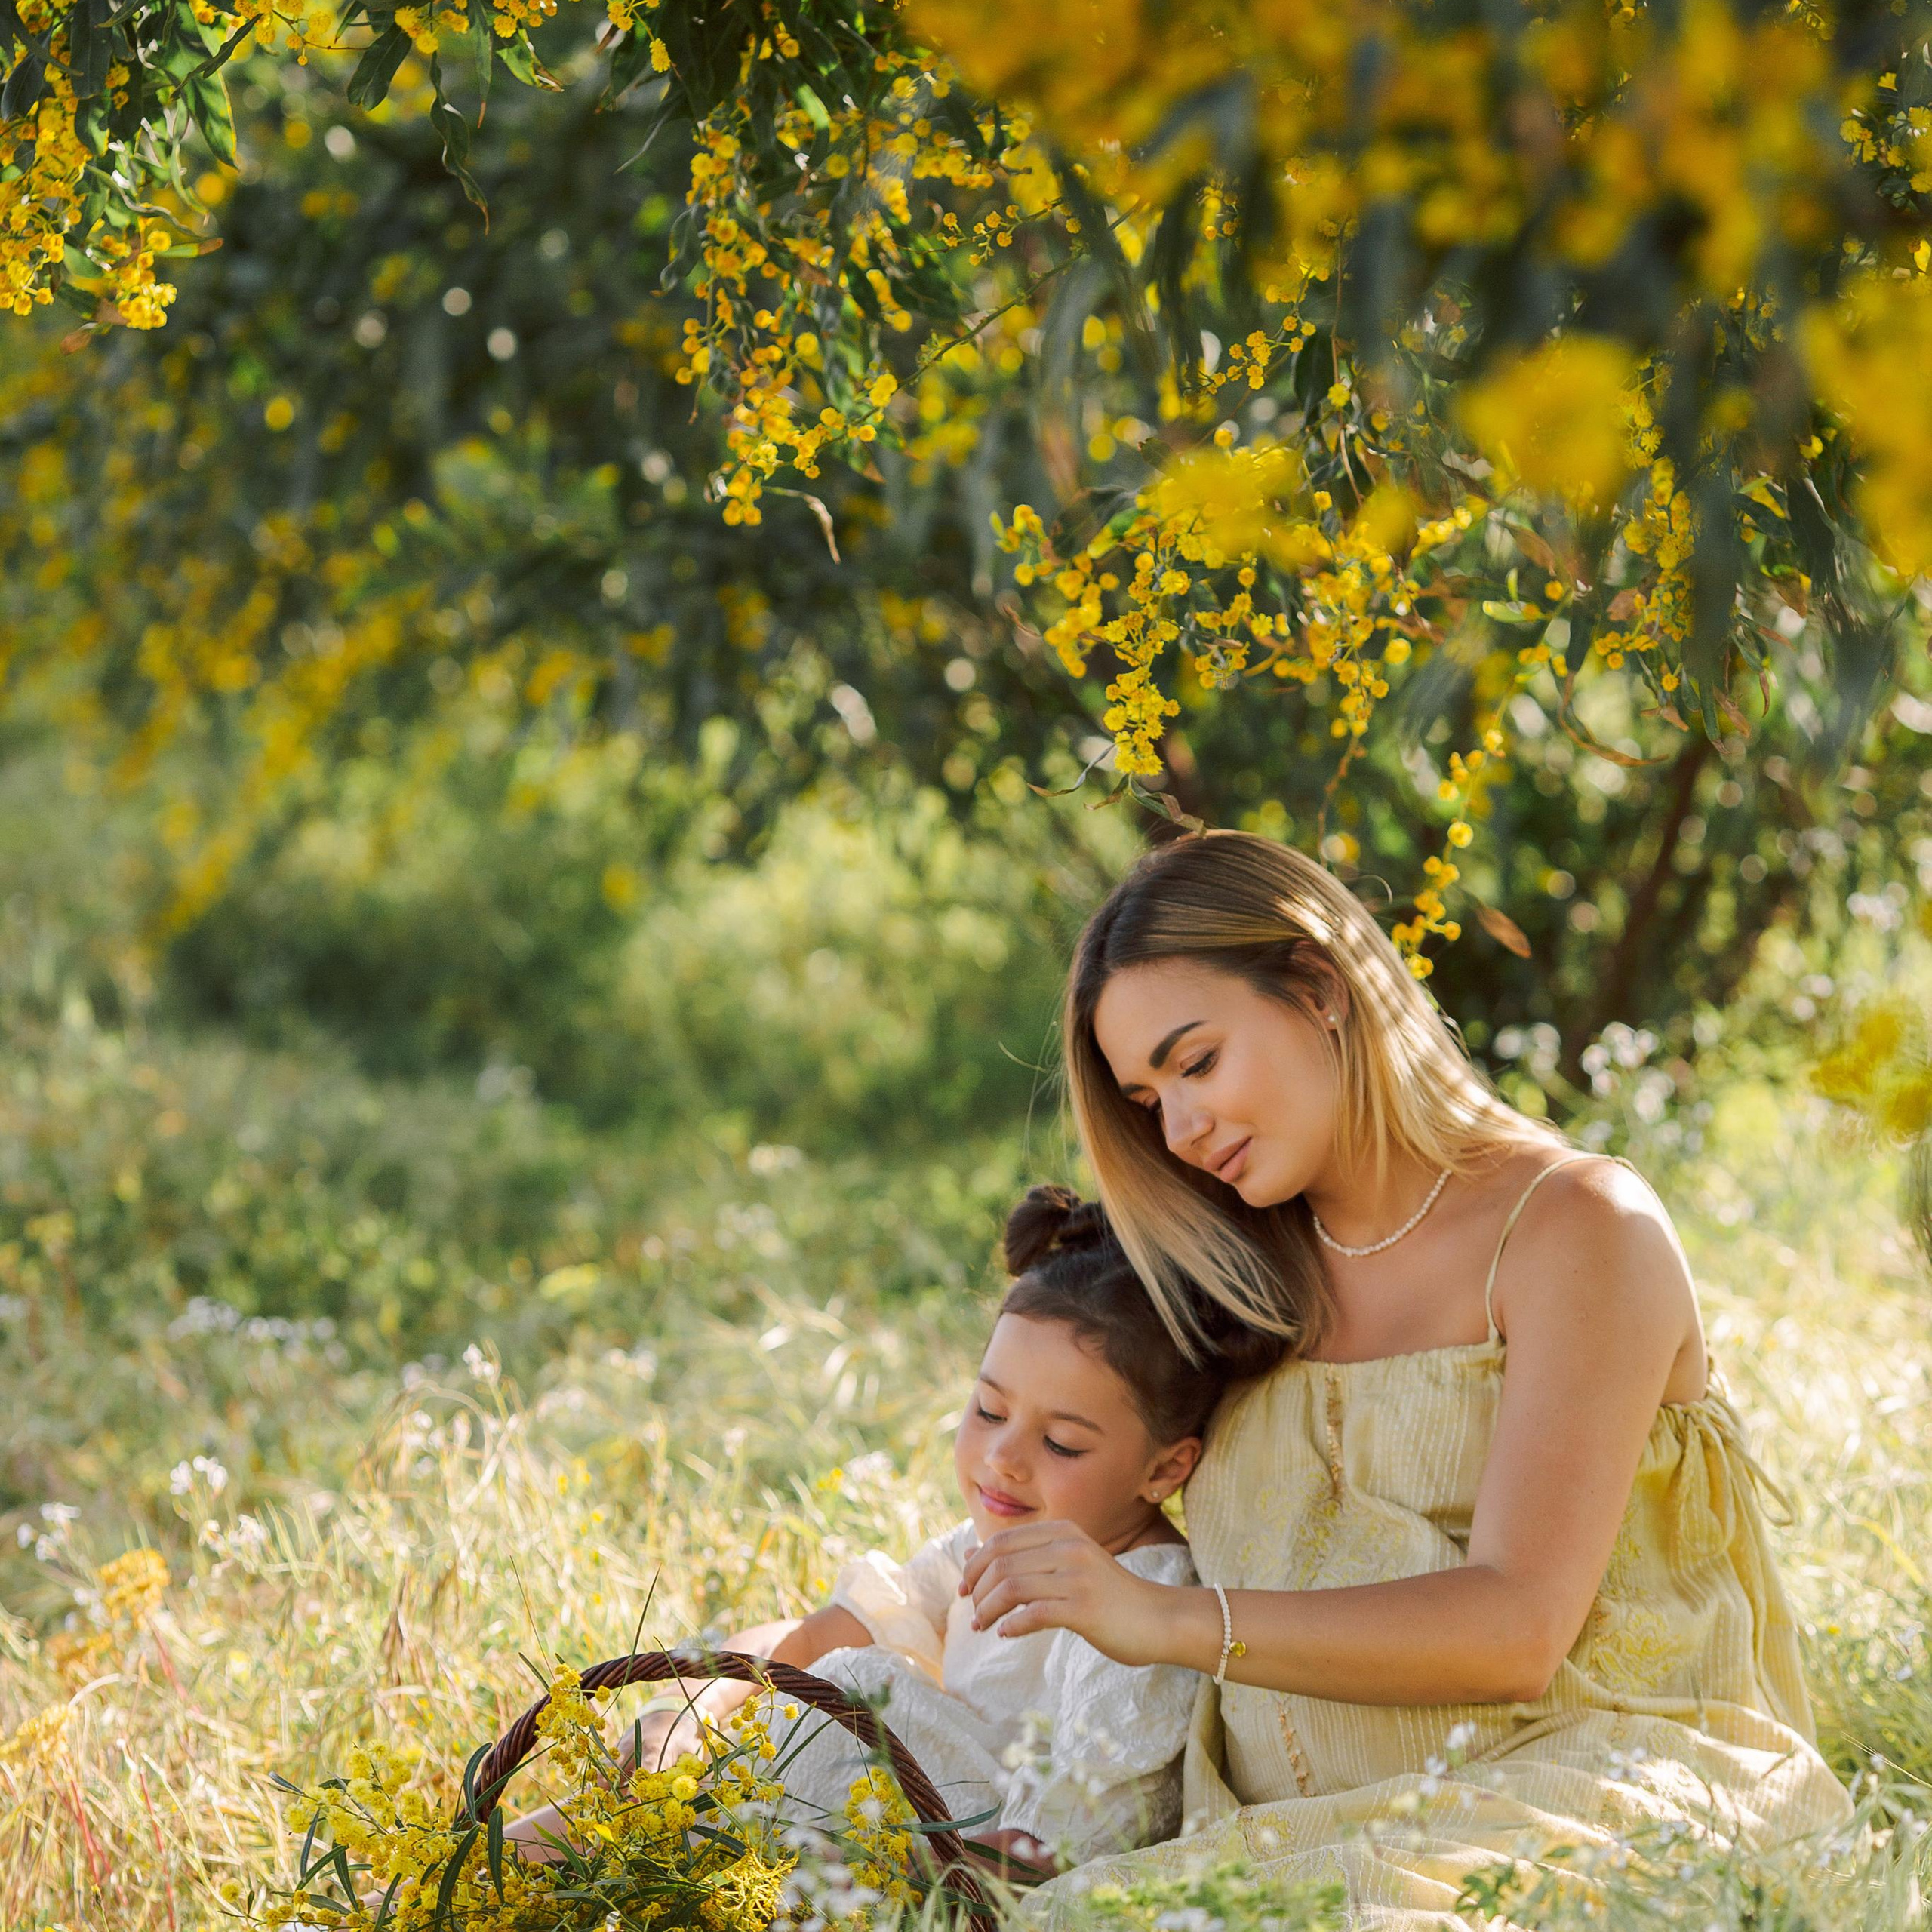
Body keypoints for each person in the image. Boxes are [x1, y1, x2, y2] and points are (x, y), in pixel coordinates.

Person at [950, 831, 1850, 1925]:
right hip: (1290, 1831)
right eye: (1148, 1101)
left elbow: (1517, 1631)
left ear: (1319, 988)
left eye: (1197, 1064)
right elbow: (1066, 1488)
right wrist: (875, 1631)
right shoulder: (1230, 1278)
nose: (1179, 1131)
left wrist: (1167, 1620)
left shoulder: (1576, 1228)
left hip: (1590, 1786)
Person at [505, 1183, 1283, 1871]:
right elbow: (814, 1636)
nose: (1003, 1459)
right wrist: (688, 1710)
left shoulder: (1140, 1602)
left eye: (1061, 1443)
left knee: (855, 1693)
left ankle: (519, 1870)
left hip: (969, 1869)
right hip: (886, 1834)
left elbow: (1060, 1845)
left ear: (1164, 1469)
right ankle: (485, 1867)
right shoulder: (983, 1550)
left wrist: (833, 1860)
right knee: (780, 1716)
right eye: (989, 1410)